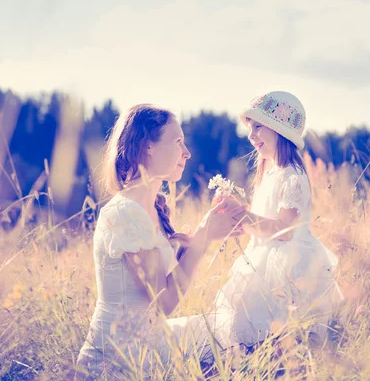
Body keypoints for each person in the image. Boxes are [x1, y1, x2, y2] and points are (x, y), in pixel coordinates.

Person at [168, 91, 343, 360]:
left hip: (287, 266)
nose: (251, 135)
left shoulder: (292, 175)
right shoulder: (271, 172)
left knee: (275, 325)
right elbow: (264, 222)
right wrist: (238, 217)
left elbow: (285, 230)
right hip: (263, 258)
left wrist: (243, 216)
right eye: (250, 127)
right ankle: (255, 362)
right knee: (247, 324)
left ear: (280, 130)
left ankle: (276, 362)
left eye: (258, 126)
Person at [75, 104, 245, 379]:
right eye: (178, 142)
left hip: (147, 342)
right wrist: (203, 237)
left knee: (234, 327)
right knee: (228, 340)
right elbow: (163, 302)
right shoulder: (125, 214)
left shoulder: (148, 209)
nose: (187, 153)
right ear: (148, 146)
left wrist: (202, 236)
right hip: (119, 361)